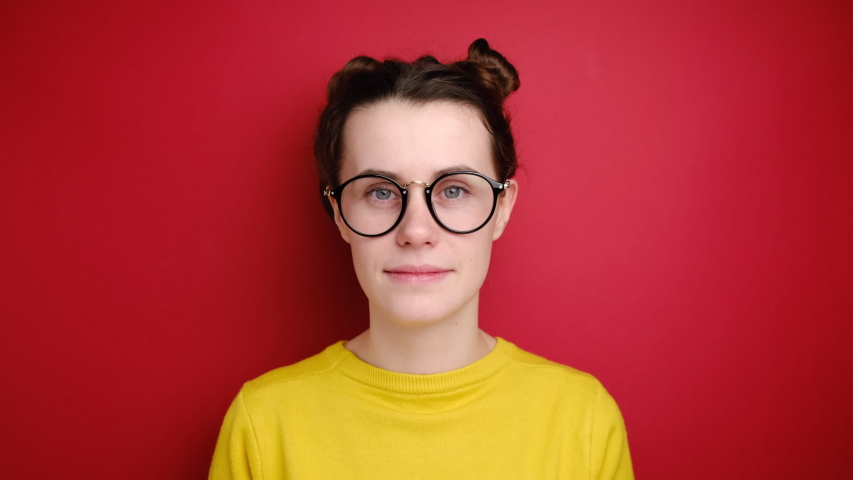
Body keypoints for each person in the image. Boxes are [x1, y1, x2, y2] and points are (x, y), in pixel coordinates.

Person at [208, 38, 634, 480]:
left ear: (501, 209)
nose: (415, 231)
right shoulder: (263, 425)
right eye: (380, 192)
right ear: (338, 213)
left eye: (454, 190)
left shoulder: (583, 421)